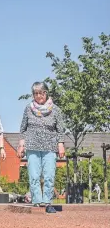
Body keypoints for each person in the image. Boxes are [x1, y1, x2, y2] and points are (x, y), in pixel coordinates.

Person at [17, 81, 65, 213]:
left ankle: (47, 201)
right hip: (32, 145)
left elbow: (60, 129)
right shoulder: (28, 108)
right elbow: (23, 128)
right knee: (34, 175)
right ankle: (37, 201)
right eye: (36, 93)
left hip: (50, 146)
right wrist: (21, 145)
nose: (39, 96)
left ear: (46, 93)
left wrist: (60, 144)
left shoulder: (55, 110)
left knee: (49, 175)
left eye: (41, 93)